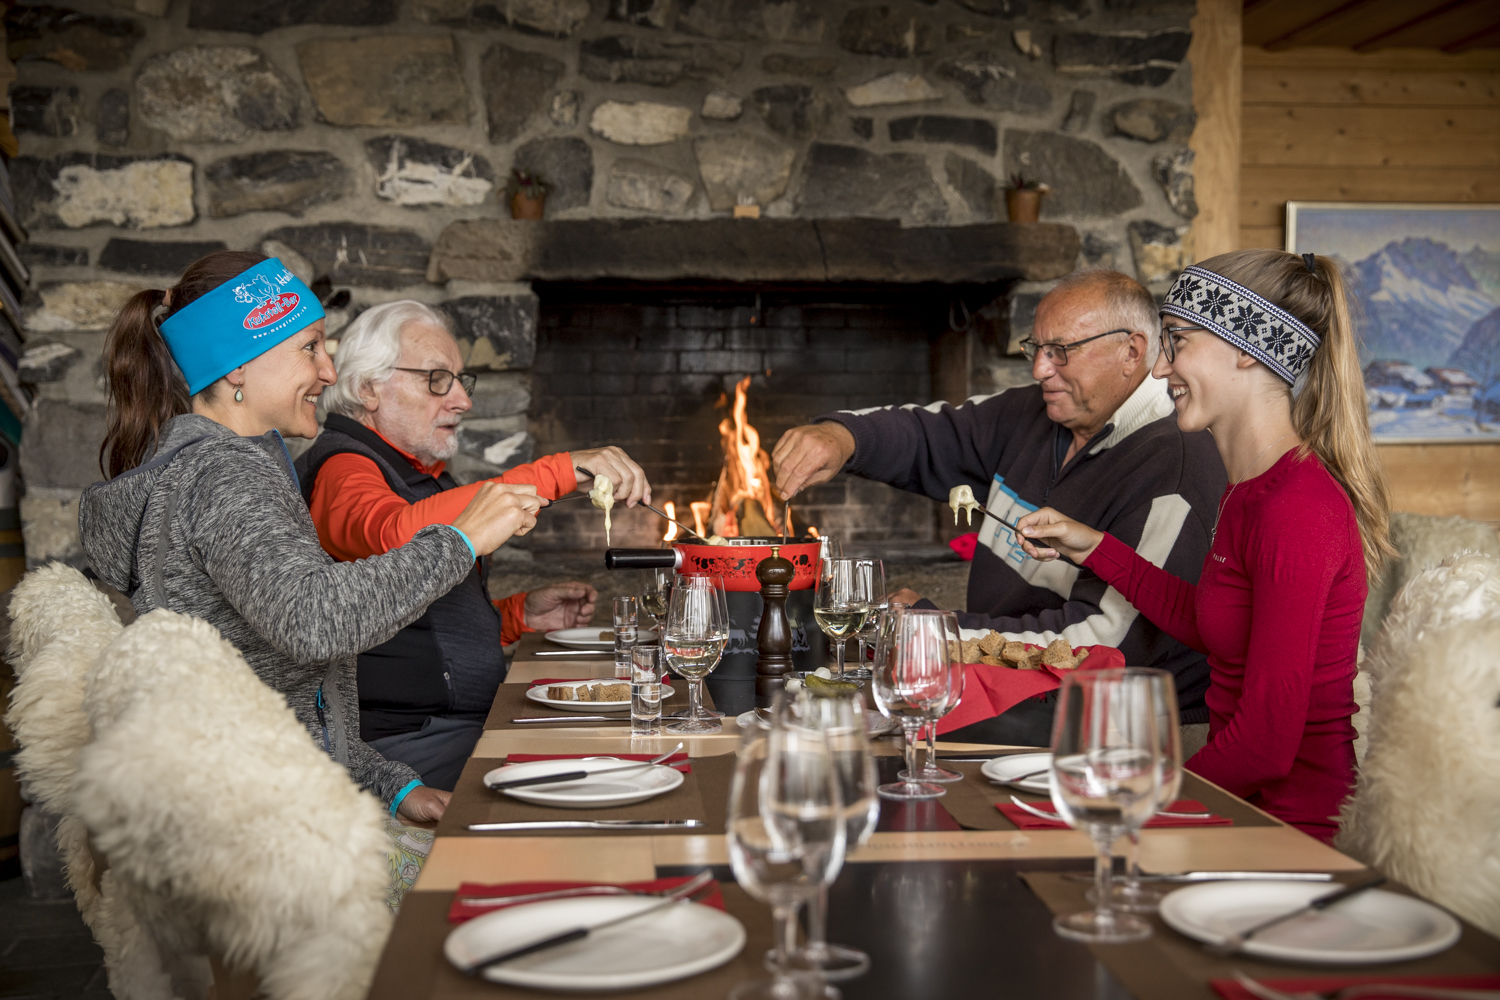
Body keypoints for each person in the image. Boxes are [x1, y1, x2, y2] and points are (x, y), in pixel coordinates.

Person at [79, 251, 543, 825]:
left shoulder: (225, 470)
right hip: (263, 833)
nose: (328, 373)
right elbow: (314, 620)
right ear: (235, 369)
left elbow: (287, 698)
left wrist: (394, 787)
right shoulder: (224, 474)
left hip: (280, 797)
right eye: (310, 347)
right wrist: (460, 538)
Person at [1016, 250, 1390, 842]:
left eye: (1177, 341)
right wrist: (1091, 547)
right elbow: (1210, 622)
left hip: (1285, 832)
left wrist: (1135, 805)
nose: (1161, 368)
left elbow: (1265, 746)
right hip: (1237, 809)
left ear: (1246, 348)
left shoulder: (1298, 507)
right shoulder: (1250, 492)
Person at [772, 270, 1227, 746]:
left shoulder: (1175, 467)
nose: (1039, 370)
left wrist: (936, 632)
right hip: (1014, 695)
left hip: (1123, 728)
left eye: (1061, 352)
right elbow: (931, 435)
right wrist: (843, 437)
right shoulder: (1037, 412)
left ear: (1132, 351)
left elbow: (1104, 642)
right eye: (1036, 349)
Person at [295, 300, 652, 790]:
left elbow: (421, 616)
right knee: (606, 765)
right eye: (437, 379)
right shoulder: (343, 467)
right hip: (400, 744)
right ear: (367, 389)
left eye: (462, 381)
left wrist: (514, 618)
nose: (461, 400)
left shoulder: (419, 474)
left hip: (452, 725)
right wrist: (557, 472)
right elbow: (393, 540)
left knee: (619, 742)